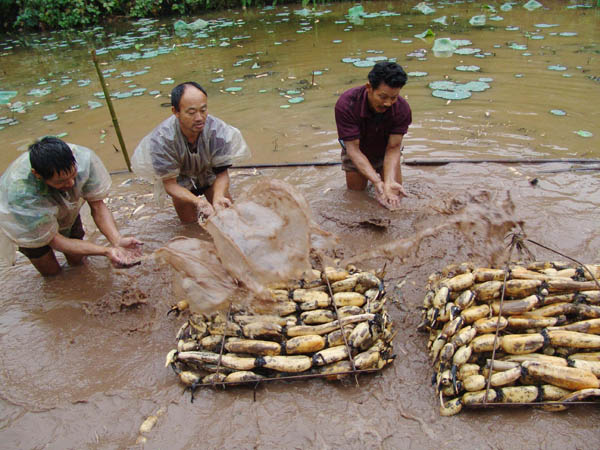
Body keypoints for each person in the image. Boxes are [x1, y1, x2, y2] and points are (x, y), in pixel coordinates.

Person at [0, 137, 143, 276]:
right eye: (61, 181)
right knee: (51, 272)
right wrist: (106, 251)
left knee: (78, 261)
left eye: (73, 175)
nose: (71, 184)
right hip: (27, 222)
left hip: (67, 211)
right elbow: (55, 240)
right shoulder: (20, 193)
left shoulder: (84, 160)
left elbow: (98, 206)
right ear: (37, 175)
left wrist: (117, 241)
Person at [131, 81, 251, 223]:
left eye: (203, 110)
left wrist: (218, 196)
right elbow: (170, 184)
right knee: (190, 226)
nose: (199, 118)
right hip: (180, 184)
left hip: (209, 176)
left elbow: (221, 173)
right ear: (175, 112)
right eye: (191, 112)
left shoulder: (218, 131)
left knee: (231, 219)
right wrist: (199, 202)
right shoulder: (161, 140)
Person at [334, 61, 412, 210]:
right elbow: (353, 150)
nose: (388, 103)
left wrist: (388, 181)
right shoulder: (347, 104)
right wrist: (377, 182)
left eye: (394, 97)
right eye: (383, 97)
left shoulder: (402, 109)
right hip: (357, 150)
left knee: (395, 197)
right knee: (356, 200)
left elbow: (393, 148)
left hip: (385, 152)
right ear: (369, 88)